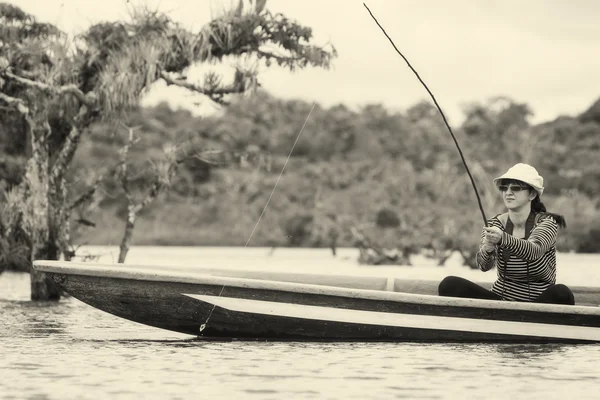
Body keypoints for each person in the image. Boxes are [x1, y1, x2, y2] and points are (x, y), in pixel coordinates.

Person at [438, 163, 575, 305]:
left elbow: (534, 250)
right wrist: (487, 249)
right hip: (501, 302)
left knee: (562, 293)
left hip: (539, 304)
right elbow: (483, 266)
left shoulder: (546, 223)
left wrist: (502, 238)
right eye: (505, 188)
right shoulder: (496, 224)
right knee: (449, 284)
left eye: (515, 188)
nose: (508, 192)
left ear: (532, 194)